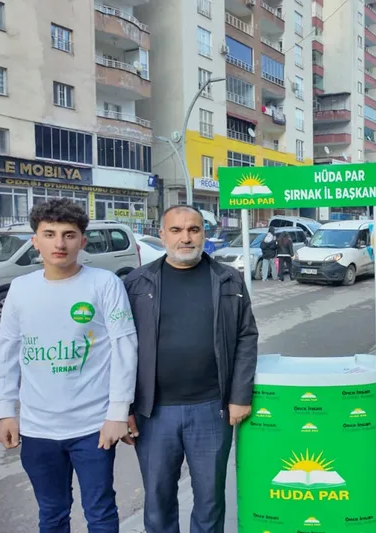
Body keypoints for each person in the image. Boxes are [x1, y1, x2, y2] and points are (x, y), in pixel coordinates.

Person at [0, 198, 138, 533]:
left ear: (82, 241)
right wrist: (6, 411)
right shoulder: (21, 289)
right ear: (35, 241)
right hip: (37, 429)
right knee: (52, 513)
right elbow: (6, 351)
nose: (59, 243)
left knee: (100, 512)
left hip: (92, 427)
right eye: (50, 234)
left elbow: (125, 348)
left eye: (69, 235)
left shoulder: (104, 284)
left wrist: (117, 413)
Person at [122, 205, 258, 533]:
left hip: (212, 410)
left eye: (193, 230)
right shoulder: (137, 283)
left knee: (210, 498)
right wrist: (123, 408)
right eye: (177, 230)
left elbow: (246, 336)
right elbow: (120, 351)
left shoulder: (228, 279)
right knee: (158, 499)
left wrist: (239, 395)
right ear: (162, 234)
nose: (186, 237)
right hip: (153, 414)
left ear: (204, 234)